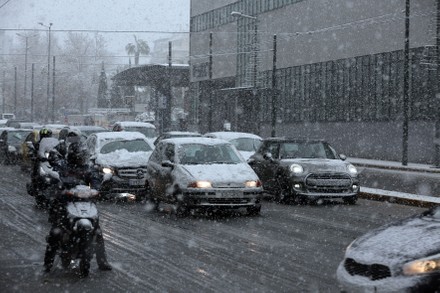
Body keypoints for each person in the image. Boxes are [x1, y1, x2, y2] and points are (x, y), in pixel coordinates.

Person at [43, 142, 112, 273]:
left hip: (85, 201)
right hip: (65, 202)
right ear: (74, 155)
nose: (82, 159)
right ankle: (48, 262)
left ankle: (102, 261)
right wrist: (60, 186)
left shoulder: (88, 167)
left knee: (97, 231)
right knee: (56, 231)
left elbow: (95, 178)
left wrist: (98, 188)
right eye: (80, 156)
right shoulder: (63, 165)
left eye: (83, 156)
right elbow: (55, 176)